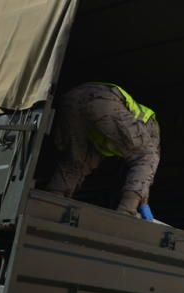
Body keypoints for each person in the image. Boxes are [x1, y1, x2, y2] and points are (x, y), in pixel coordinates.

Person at [45, 82, 160, 218]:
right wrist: (140, 202)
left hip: (71, 100)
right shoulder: (151, 128)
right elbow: (146, 164)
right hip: (102, 100)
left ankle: (52, 201)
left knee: (76, 162)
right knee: (147, 156)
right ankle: (126, 211)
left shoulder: (106, 140)